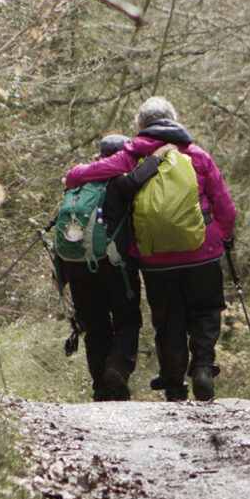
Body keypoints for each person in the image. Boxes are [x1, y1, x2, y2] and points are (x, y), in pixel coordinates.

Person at [63, 97, 236, 402]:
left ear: (140, 126)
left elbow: (76, 177)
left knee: (168, 317)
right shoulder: (197, 156)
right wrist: (220, 236)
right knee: (206, 310)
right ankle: (203, 368)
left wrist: (78, 170)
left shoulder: (132, 156)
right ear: (175, 119)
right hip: (203, 250)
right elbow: (224, 206)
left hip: (155, 257)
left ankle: (173, 384)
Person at [56, 135, 163, 402]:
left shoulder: (79, 183)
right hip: (115, 265)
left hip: (77, 266)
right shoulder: (121, 183)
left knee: (95, 324)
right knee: (127, 320)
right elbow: (148, 170)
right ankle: (116, 370)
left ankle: (100, 386)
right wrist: (161, 151)